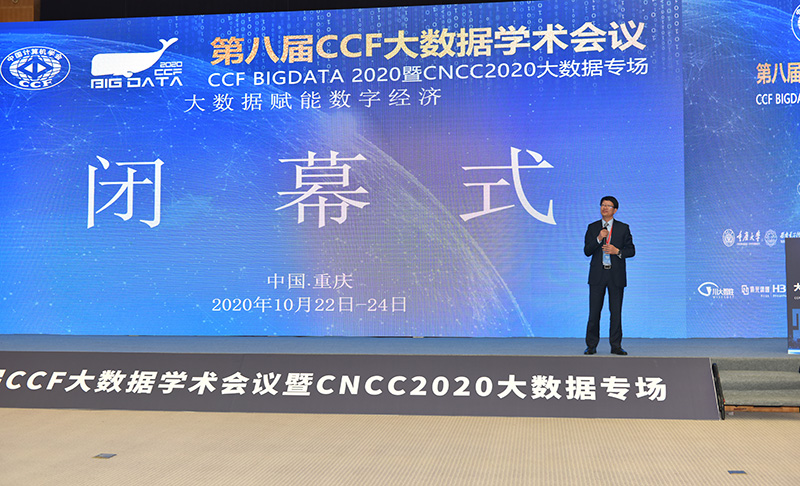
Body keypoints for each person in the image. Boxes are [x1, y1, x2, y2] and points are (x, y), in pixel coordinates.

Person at [583, 196, 635, 355]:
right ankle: (591, 345)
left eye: (608, 205)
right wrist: (599, 238)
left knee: (616, 312)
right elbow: (587, 251)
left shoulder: (623, 228)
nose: (604, 208)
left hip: (616, 275)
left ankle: (616, 346)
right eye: (602, 205)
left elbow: (631, 251)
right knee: (594, 312)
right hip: (597, 275)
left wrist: (617, 251)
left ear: (615, 210)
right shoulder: (593, 227)